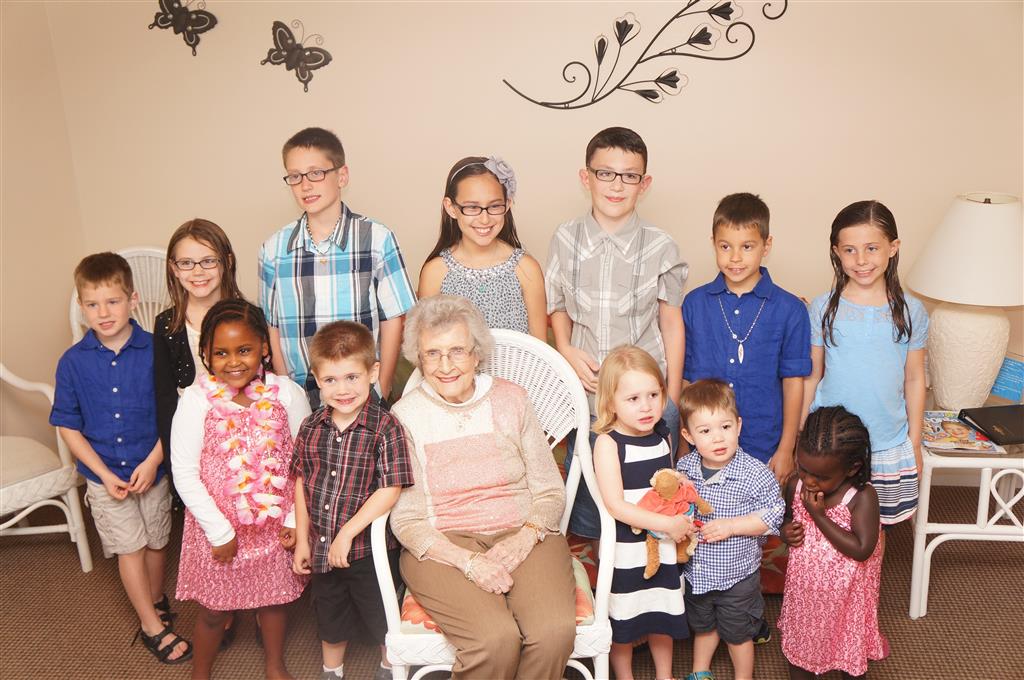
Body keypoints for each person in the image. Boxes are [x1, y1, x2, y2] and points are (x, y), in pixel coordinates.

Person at [389, 295, 576, 679]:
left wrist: (523, 539)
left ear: (476, 354)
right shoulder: (405, 415)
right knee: (495, 640)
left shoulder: (512, 399)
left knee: (553, 633)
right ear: (419, 359)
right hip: (443, 544)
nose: (445, 366)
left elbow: (549, 490)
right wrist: (469, 562)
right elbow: (407, 520)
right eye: (432, 354)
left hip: (525, 530)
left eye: (457, 351)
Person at [546, 126, 687, 544]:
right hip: (590, 392)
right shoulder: (565, 238)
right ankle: (600, 572)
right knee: (590, 503)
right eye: (605, 173)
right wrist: (566, 347)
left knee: (655, 499)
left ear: (644, 183)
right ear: (586, 177)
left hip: (646, 397)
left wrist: (672, 395)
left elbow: (671, 322)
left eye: (629, 176)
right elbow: (557, 306)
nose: (616, 185)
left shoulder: (661, 246)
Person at [50, 253, 191, 665]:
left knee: (158, 541)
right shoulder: (72, 362)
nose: (103, 312)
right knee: (130, 547)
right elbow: (68, 426)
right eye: (92, 304)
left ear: (132, 299)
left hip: (152, 468)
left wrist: (153, 461)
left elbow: (173, 414)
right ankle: (151, 625)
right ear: (82, 307)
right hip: (104, 476)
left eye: (112, 301)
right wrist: (101, 473)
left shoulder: (155, 351)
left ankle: (155, 598)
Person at [171, 299, 310, 680]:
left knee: (273, 601)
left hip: (274, 527)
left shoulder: (287, 394)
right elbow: (184, 473)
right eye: (221, 353)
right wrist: (219, 531)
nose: (234, 361)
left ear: (264, 347)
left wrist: (294, 519)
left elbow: (303, 463)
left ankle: (274, 664)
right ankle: (200, 672)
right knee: (214, 611)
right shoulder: (196, 401)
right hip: (217, 528)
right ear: (206, 353)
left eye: (244, 349)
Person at [259, 126, 417, 409]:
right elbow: (274, 327)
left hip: (363, 393)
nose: (305, 185)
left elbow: (394, 319)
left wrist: (381, 387)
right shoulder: (274, 250)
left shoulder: (376, 239)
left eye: (316, 173)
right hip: (303, 396)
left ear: (342, 175)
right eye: (295, 176)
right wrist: (287, 393)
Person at [291, 321, 414, 680]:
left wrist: (347, 533)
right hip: (322, 547)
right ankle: (332, 671)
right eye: (330, 380)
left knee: (381, 617)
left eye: (352, 377)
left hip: (369, 552)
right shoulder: (310, 427)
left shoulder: (386, 427)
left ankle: (389, 669)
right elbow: (301, 482)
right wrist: (302, 540)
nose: (342, 389)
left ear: (373, 373)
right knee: (329, 618)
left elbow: (391, 488)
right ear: (317, 379)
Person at [802, 200, 928, 526]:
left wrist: (914, 442)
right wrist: (801, 433)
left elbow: (914, 379)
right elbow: (812, 375)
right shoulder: (823, 308)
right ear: (836, 252)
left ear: (893, 248)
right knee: (827, 523)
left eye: (871, 248)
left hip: (887, 439)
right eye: (850, 250)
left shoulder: (911, 311)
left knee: (875, 529)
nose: (861, 260)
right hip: (831, 442)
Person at [681, 193, 810, 481]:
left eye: (747, 246)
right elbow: (685, 379)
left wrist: (786, 448)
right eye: (725, 246)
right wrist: (682, 444)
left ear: (767, 245)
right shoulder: (694, 304)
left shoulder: (790, 309)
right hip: (702, 448)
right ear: (713, 243)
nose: (735, 258)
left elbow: (793, 382)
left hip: (764, 445)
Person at [591, 346, 692, 680]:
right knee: (624, 619)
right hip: (626, 551)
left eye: (653, 395)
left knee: (662, 613)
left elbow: (664, 483)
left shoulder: (663, 435)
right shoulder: (608, 443)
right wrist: (666, 523)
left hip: (661, 546)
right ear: (610, 403)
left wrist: (681, 487)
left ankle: (665, 675)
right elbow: (616, 505)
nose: (646, 406)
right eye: (633, 399)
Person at [676, 379, 785, 680]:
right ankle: (700, 671)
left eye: (725, 427)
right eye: (705, 431)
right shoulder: (684, 468)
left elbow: (774, 514)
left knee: (738, 633)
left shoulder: (754, 473)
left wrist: (732, 526)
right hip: (699, 573)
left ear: (738, 426)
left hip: (737, 576)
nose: (718, 438)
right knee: (704, 626)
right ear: (688, 435)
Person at [778, 406, 889, 679]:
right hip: (805, 593)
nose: (809, 481)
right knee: (801, 650)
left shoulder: (861, 498)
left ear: (852, 468)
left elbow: (861, 549)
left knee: (847, 652)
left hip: (847, 597)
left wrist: (818, 516)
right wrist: (785, 532)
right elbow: (787, 519)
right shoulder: (795, 485)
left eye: (821, 477)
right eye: (803, 469)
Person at [418, 155, 547, 340]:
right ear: (451, 207)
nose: (484, 219)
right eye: (472, 207)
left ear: (508, 204)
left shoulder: (526, 269)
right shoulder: (435, 272)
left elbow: (540, 349)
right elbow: (428, 344)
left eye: (494, 206)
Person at [154, 218, 244, 470]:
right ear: (174, 268)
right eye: (186, 263)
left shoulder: (249, 318)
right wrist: (173, 466)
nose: (197, 272)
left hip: (242, 438)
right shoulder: (166, 325)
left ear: (227, 262)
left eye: (208, 261)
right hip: (191, 442)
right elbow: (165, 401)